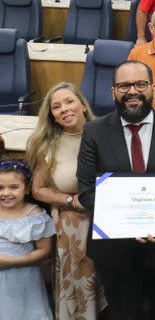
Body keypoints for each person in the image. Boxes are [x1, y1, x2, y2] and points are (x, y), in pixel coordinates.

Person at [77, 61, 155, 320]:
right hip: (115, 251)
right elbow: (86, 191)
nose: (132, 91)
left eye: (140, 84)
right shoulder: (94, 131)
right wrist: (130, 224)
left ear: (152, 88)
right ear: (113, 92)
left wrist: (154, 224)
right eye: (124, 85)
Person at [27, 83, 106, 320]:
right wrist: (70, 199)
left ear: (83, 105)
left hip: (108, 217)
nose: (64, 109)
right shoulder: (48, 145)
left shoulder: (106, 135)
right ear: (52, 115)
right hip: (74, 221)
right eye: (56, 107)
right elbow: (38, 190)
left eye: (69, 101)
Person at [0, 160, 55, 320]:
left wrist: (12, 261)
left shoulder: (35, 215)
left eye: (14, 187)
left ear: (26, 189)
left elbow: (44, 250)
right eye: (0, 188)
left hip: (24, 276)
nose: (6, 193)